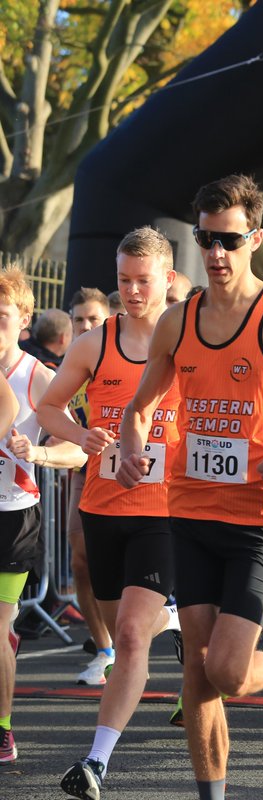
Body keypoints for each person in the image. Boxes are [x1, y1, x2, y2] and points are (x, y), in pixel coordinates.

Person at [118, 175, 263, 800]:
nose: (215, 254)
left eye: (229, 241)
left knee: (226, 668)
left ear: (257, 239)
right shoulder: (176, 322)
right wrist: (134, 449)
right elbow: (138, 410)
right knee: (197, 670)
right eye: (206, 239)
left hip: (260, 518)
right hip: (188, 509)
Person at [40, 227, 185, 799]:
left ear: (167, 280)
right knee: (115, 618)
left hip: (168, 512)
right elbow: (50, 407)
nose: (131, 291)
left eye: (142, 281)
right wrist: (81, 432)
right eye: (123, 279)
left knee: (127, 635)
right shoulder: (94, 344)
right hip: (104, 506)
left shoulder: (189, 344)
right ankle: (171, 617)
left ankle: (96, 762)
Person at [0, 268, 66, 764]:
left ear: (23, 322)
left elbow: (74, 444)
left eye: (1, 317)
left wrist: (37, 452)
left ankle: (2, 729)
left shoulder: (38, 377)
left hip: (13, 516)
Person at [65, 287, 114, 684]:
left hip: (126, 472)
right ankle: (104, 650)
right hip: (83, 471)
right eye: (78, 319)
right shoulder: (73, 360)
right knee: (80, 563)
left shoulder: (117, 353)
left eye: (92, 319)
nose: (85, 326)